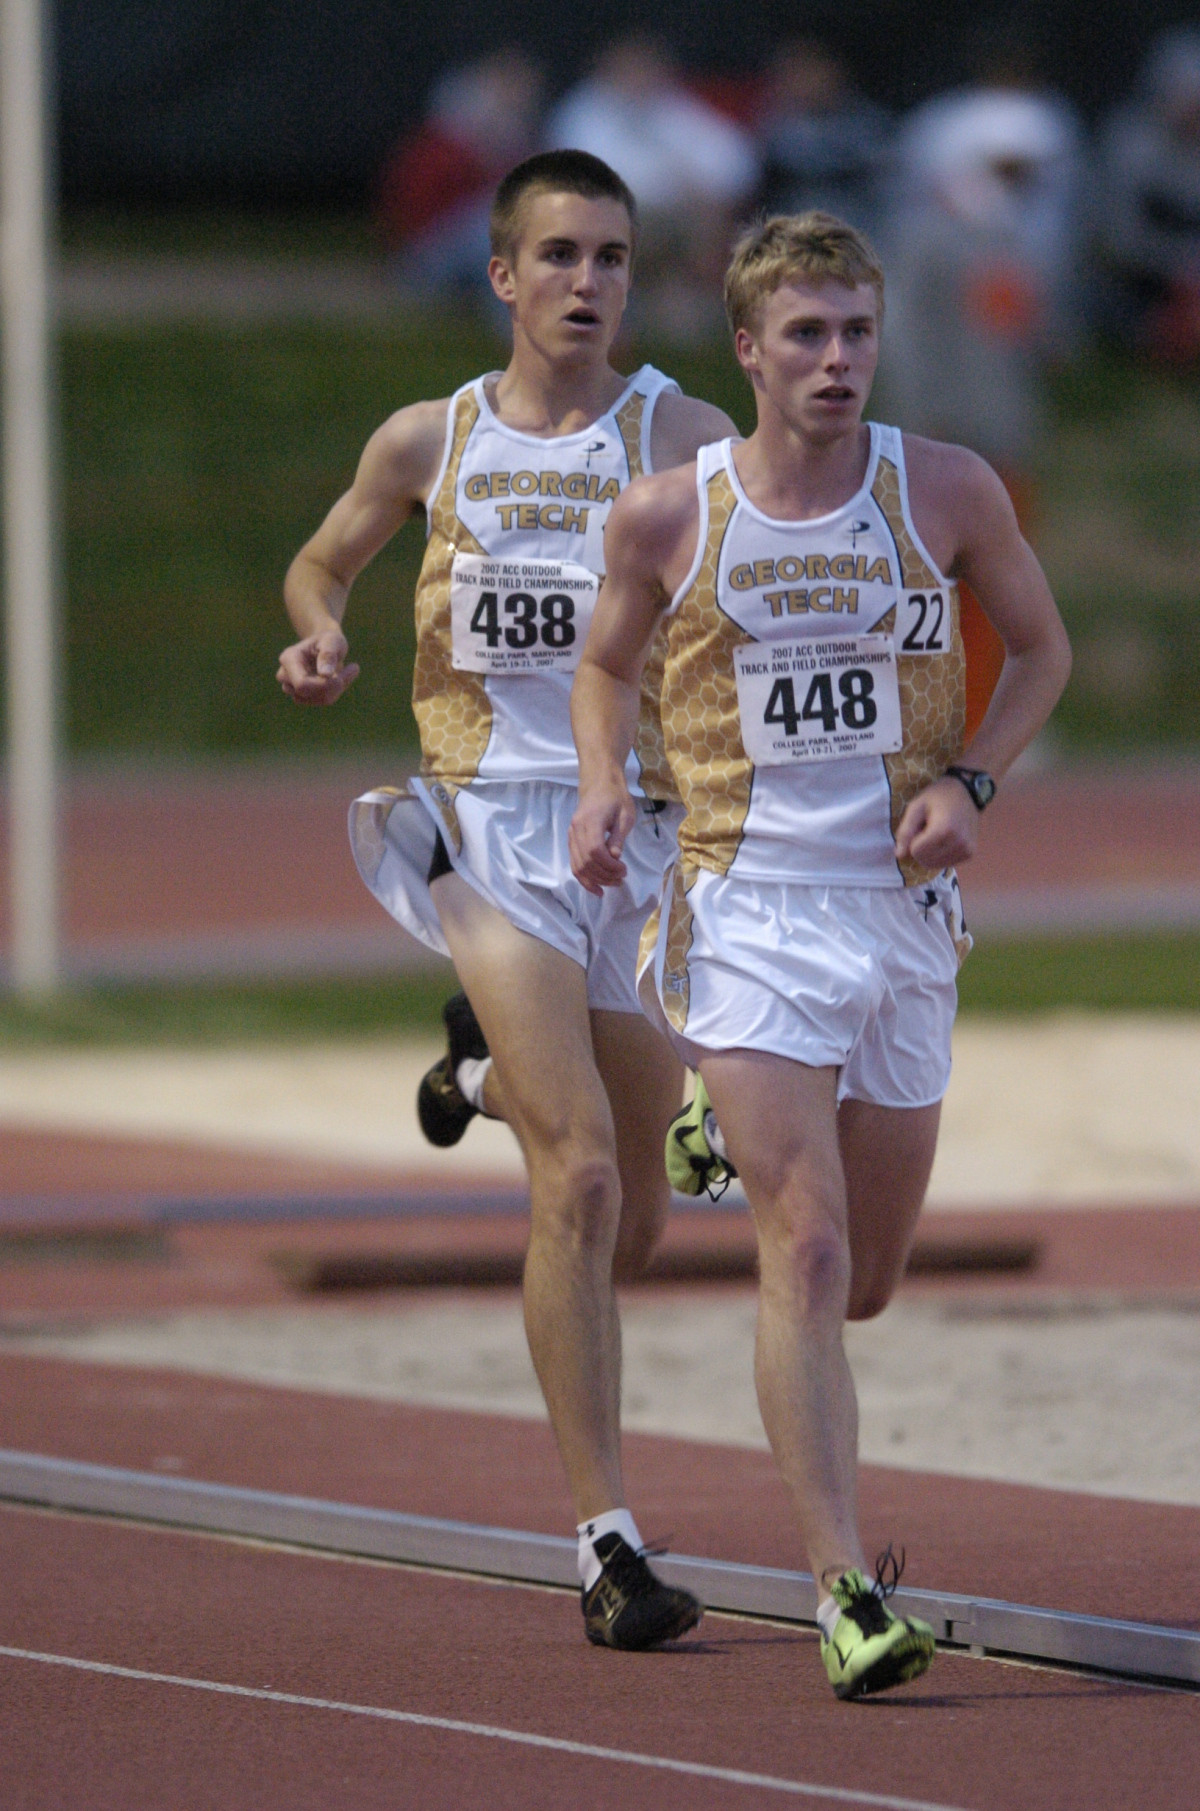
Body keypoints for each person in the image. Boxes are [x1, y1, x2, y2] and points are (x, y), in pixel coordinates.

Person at [569, 212, 1071, 1699]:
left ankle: (726, 1107)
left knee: (871, 1282)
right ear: (749, 350)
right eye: (807, 335)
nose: (838, 359)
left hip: (899, 920)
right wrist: (604, 785)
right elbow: (603, 663)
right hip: (747, 911)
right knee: (809, 1243)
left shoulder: (948, 489)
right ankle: (845, 1591)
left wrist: (969, 779)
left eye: (855, 331)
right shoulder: (673, 513)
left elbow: (1041, 651)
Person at [277, 150, 736, 1651]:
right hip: (486, 830)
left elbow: (749, 613)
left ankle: (474, 1072)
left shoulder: (680, 436)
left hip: (637, 841)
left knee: (640, 1225)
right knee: (585, 1173)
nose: (589, 283)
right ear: (502, 274)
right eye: (559, 255)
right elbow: (319, 562)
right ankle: (608, 1544)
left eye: (611, 256)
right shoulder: (432, 440)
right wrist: (321, 636)